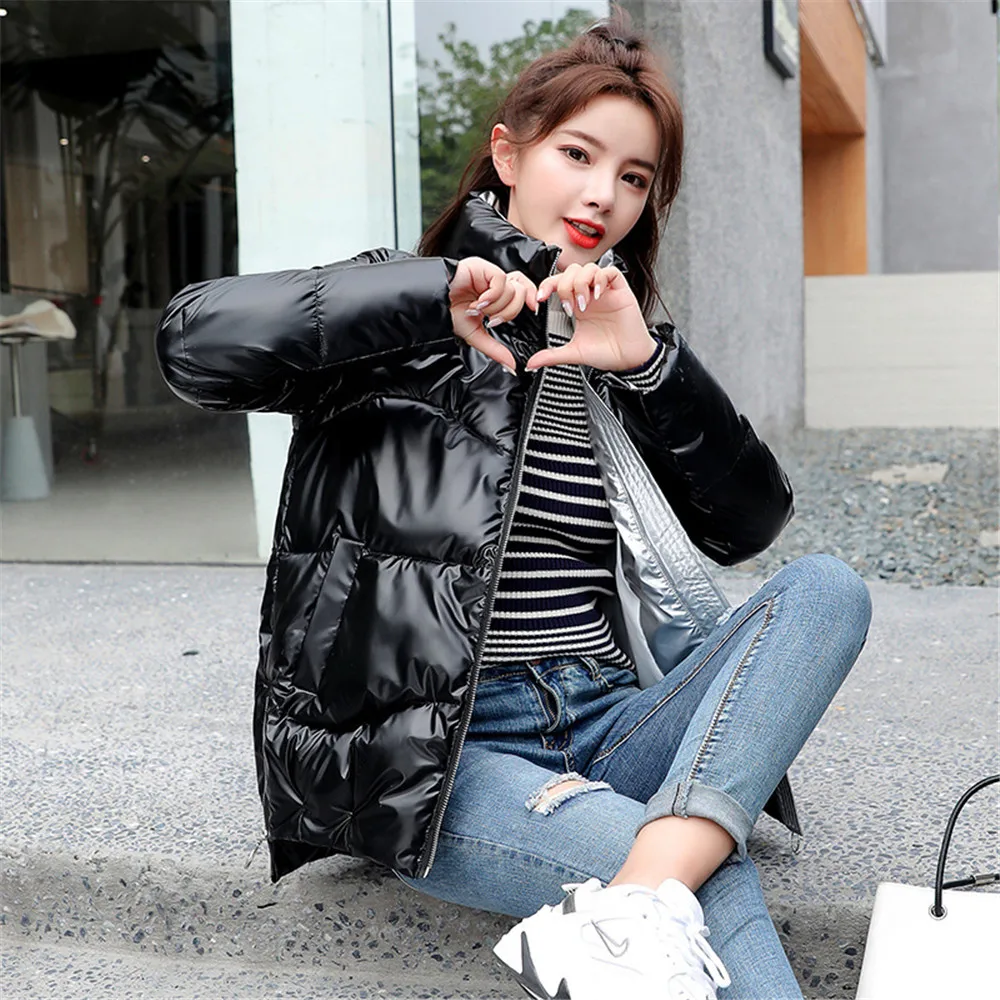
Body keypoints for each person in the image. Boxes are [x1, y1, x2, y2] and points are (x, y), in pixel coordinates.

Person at [155, 8, 872, 999]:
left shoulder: (612, 339)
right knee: (699, 867)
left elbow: (748, 524)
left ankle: (636, 899)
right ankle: (656, 883)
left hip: (612, 716)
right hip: (445, 753)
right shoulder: (398, 312)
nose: (604, 194)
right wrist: (423, 295)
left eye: (634, 178)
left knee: (828, 589)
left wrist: (650, 367)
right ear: (507, 154)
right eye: (578, 154)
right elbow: (192, 344)